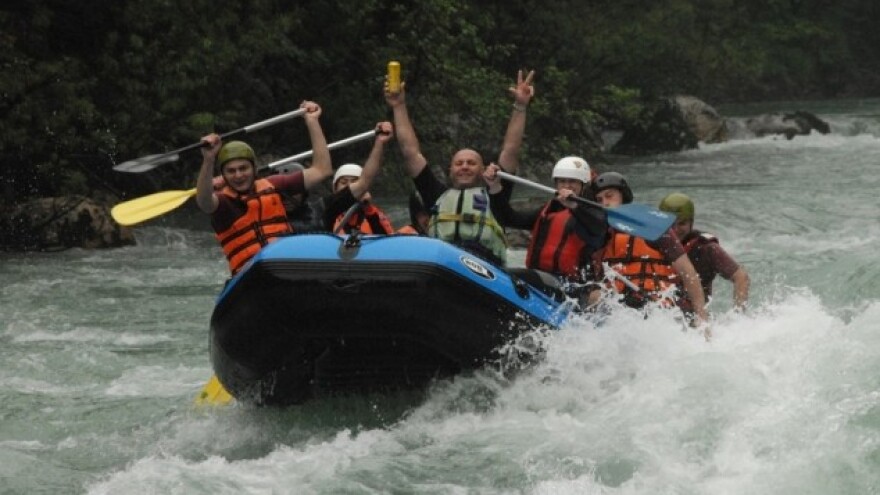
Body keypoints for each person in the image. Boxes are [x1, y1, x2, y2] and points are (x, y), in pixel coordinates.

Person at [384, 69, 535, 266]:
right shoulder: (435, 194)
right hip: (445, 264)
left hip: (485, 265)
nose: (464, 166)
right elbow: (410, 151)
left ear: (482, 170)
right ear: (450, 170)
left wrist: (520, 106)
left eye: (471, 163)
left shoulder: (496, 194)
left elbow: (511, 150)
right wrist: (398, 105)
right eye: (459, 163)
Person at [196, 100, 332, 275]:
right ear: (223, 174)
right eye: (231, 171)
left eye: (243, 168)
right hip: (250, 277)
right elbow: (204, 201)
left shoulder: (274, 185)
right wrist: (208, 159)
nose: (238, 175)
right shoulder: (223, 203)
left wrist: (312, 122)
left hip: (285, 270)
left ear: (254, 169)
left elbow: (322, 170)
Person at [483, 156, 608, 307]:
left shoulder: (594, 213)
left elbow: (598, 228)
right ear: (556, 184)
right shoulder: (549, 210)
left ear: (583, 185)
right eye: (562, 181)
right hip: (544, 279)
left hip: (571, 286)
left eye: (573, 181)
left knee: (511, 275)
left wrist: (575, 206)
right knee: (508, 274)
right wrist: (495, 187)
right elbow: (509, 219)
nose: (567, 185)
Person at [592, 172, 709, 327]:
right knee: (595, 296)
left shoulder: (652, 228)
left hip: (654, 306)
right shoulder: (597, 232)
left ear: (623, 198)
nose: (605, 203)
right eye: (599, 200)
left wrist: (701, 318)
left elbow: (688, 273)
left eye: (609, 196)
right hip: (616, 308)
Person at [658, 192, 750, 311]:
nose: (675, 230)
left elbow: (741, 278)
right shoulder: (651, 243)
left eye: (682, 223)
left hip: (694, 318)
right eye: (670, 224)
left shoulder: (706, 248)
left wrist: (739, 316)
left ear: (691, 223)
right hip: (659, 314)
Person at [322, 121, 396, 234]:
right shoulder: (327, 213)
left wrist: (368, 210)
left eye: (354, 181)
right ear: (334, 188)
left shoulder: (373, 213)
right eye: (344, 182)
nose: (349, 186)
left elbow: (388, 239)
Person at [275, 162, 328, 233]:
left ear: (304, 193)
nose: (286, 199)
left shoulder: (318, 213)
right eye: (281, 193)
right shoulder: (266, 220)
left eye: (292, 192)